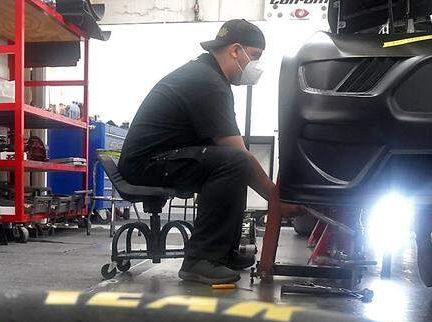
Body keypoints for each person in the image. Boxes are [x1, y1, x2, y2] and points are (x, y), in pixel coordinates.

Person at [118, 19, 297, 284]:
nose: (256, 65)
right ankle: (200, 260)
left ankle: (222, 253)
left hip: (161, 158)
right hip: (146, 164)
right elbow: (238, 153)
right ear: (235, 50)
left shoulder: (207, 75)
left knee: (233, 163)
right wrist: (276, 198)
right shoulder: (208, 82)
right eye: (255, 56)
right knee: (235, 162)